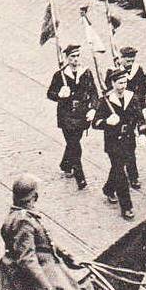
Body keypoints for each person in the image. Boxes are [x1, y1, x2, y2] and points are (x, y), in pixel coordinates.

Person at [0, 174, 85, 290]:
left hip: (44, 259)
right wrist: (46, 286)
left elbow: (44, 240)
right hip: (34, 269)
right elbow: (27, 259)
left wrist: (66, 254)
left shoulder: (22, 215)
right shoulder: (23, 221)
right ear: (34, 197)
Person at [92, 68, 146, 219]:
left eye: (125, 82)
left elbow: (140, 118)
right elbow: (95, 123)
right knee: (121, 173)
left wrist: (142, 133)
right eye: (120, 83)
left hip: (129, 140)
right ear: (112, 83)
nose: (123, 86)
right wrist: (107, 122)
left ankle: (108, 188)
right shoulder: (105, 101)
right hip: (113, 142)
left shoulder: (132, 98)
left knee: (118, 168)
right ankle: (127, 207)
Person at [45, 44, 97, 190]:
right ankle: (80, 177)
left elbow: (94, 93)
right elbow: (50, 93)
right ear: (66, 58)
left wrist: (93, 109)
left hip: (81, 115)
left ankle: (65, 164)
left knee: (74, 141)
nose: (75, 59)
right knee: (75, 145)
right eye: (72, 57)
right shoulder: (60, 75)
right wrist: (60, 94)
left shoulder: (86, 73)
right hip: (66, 115)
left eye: (77, 56)